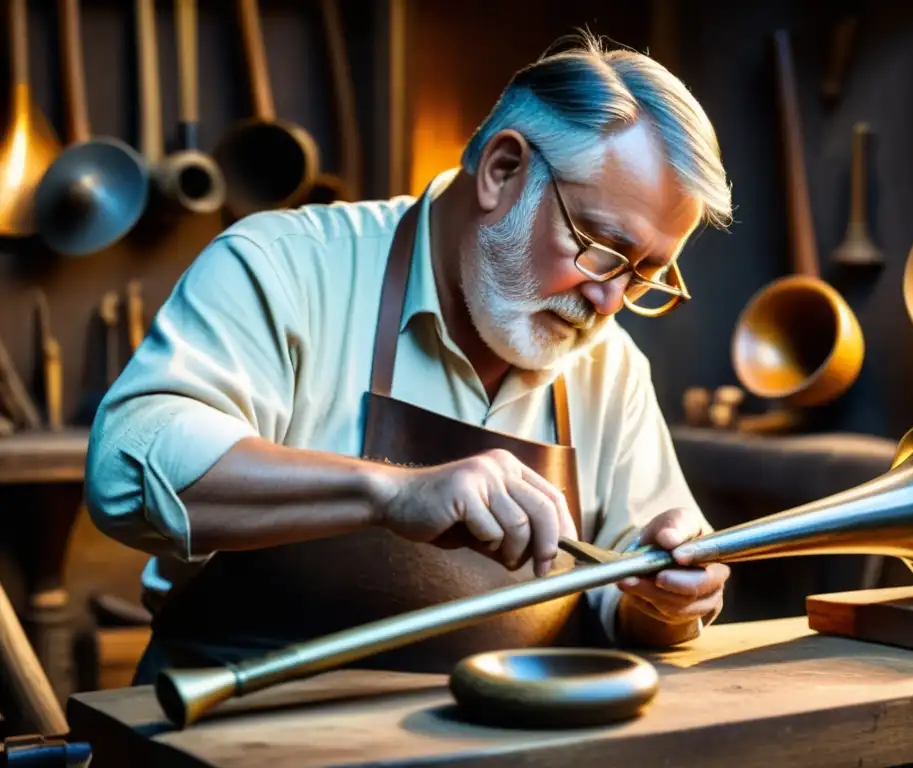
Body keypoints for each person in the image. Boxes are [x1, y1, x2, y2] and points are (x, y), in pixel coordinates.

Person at [84, 32, 734, 684]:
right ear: (503, 171)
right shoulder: (286, 266)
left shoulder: (609, 367)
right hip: (238, 732)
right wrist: (390, 491)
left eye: (646, 276)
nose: (610, 298)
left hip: (498, 742)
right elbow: (127, 469)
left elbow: (627, 609)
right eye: (601, 249)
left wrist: (670, 598)